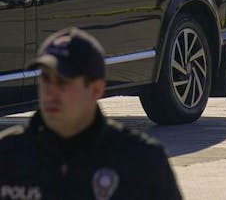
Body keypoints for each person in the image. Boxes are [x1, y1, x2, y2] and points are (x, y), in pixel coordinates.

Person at [0, 27, 183, 199]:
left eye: (63, 82)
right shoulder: (8, 155)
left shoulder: (142, 162)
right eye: (45, 79)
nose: (50, 92)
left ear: (96, 90)